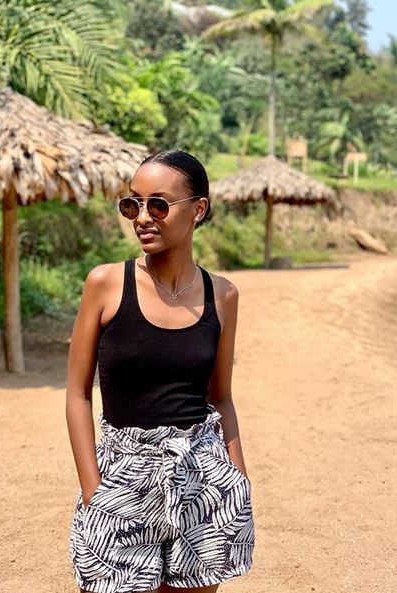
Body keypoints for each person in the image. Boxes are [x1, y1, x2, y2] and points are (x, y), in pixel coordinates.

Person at [66, 150, 255, 593]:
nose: (142, 217)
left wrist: (239, 480)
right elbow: (77, 394)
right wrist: (94, 492)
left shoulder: (223, 296)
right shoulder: (105, 285)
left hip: (203, 482)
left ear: (198, 209)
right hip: (122, 479)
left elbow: (220, 397)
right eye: (132, 204)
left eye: (158, 204)